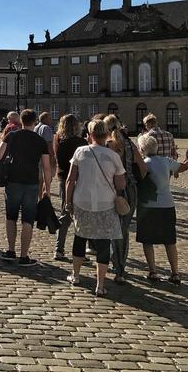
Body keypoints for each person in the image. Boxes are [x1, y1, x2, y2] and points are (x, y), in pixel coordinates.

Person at [64, 119, 125, 297]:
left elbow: (70, 180)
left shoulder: (80, 152)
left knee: (80, 238)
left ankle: (75, 275)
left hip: (82, 201)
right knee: (104, 242)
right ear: (107, 135)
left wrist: (68, 202)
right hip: (106, 203)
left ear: (89, 135)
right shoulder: (112, 156)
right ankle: (99, 285)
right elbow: (121, 183)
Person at [0, 109, 51, 266]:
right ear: (34, 122)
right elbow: (46, 167)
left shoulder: (12, 135)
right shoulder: (40, 141)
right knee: (28, 219)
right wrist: (47, 187)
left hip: (13, 181)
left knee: (11, 217)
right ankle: (24, 256)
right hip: (32, 183)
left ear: (21, 121)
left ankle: (11, 251)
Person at [136, 134, 188, 284]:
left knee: (147, 240)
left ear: (142, 149)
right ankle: (175, 272)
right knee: (169, 241)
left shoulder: (144, 163)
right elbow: (183, 167)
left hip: (148, 205)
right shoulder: (166, 161)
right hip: (167, 204)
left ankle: (153, 271)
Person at [104, 114, 147, 284]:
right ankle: (120, 265)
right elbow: (143, 168)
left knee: (112, 227)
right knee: (123, 229)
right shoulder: (130, 144)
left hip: (113, 190)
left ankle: (115, 263)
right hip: (131, 190)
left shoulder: (108, 145)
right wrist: (136, 183)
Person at [52, 114, 87, 261]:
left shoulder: (59, 140)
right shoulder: (82, 142)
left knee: (65, 213)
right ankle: (80, 252)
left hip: (63, 177)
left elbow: (58, 159)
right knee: (81, 215)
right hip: (80, 179)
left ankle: (59, 249)